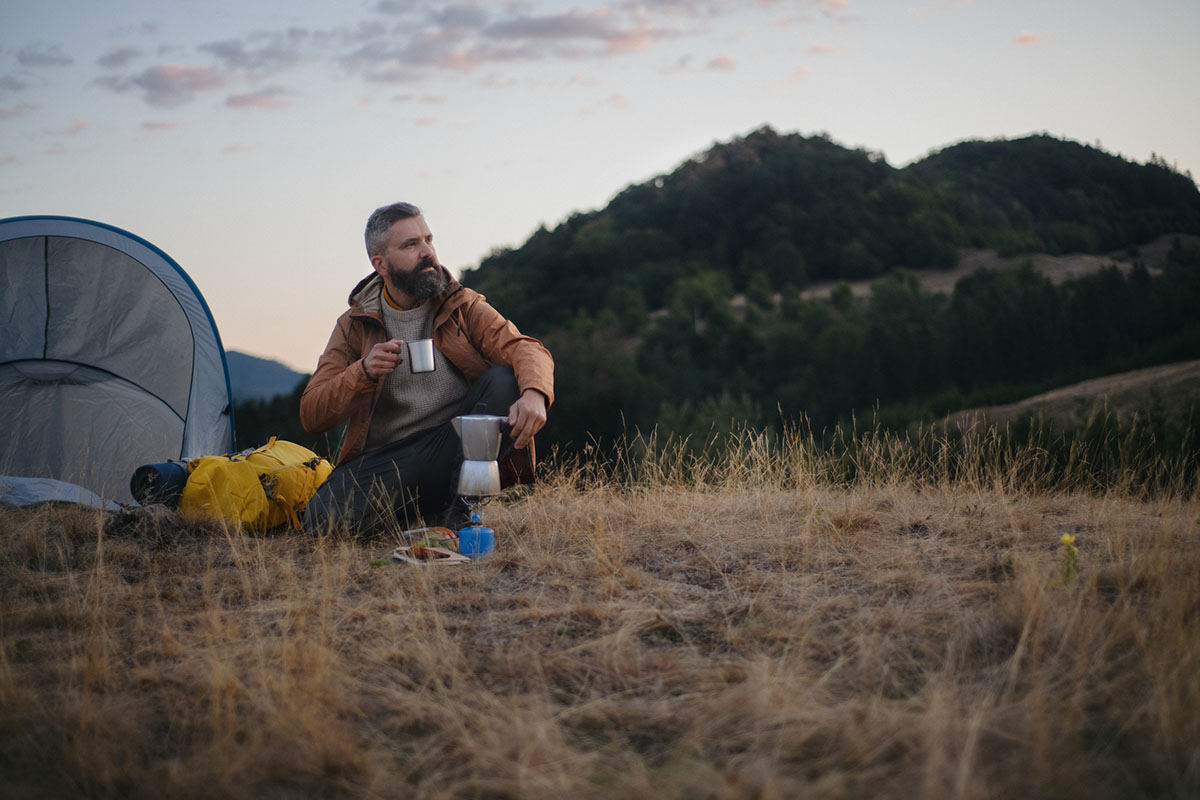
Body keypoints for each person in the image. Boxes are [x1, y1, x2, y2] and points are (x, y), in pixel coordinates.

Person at [299, 202, 554, 533]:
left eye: (428, 240)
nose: (427, 252)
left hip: (454, 445)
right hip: (391, 461)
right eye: (410, 245)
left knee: (506, 381)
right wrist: (362, 372)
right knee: (320, 520)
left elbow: (524, 348)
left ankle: (459, 509)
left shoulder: (460, 304)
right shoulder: (354, 325)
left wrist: (535, 393)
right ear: (381, 264)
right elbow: (312, 414)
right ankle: (426, 511)